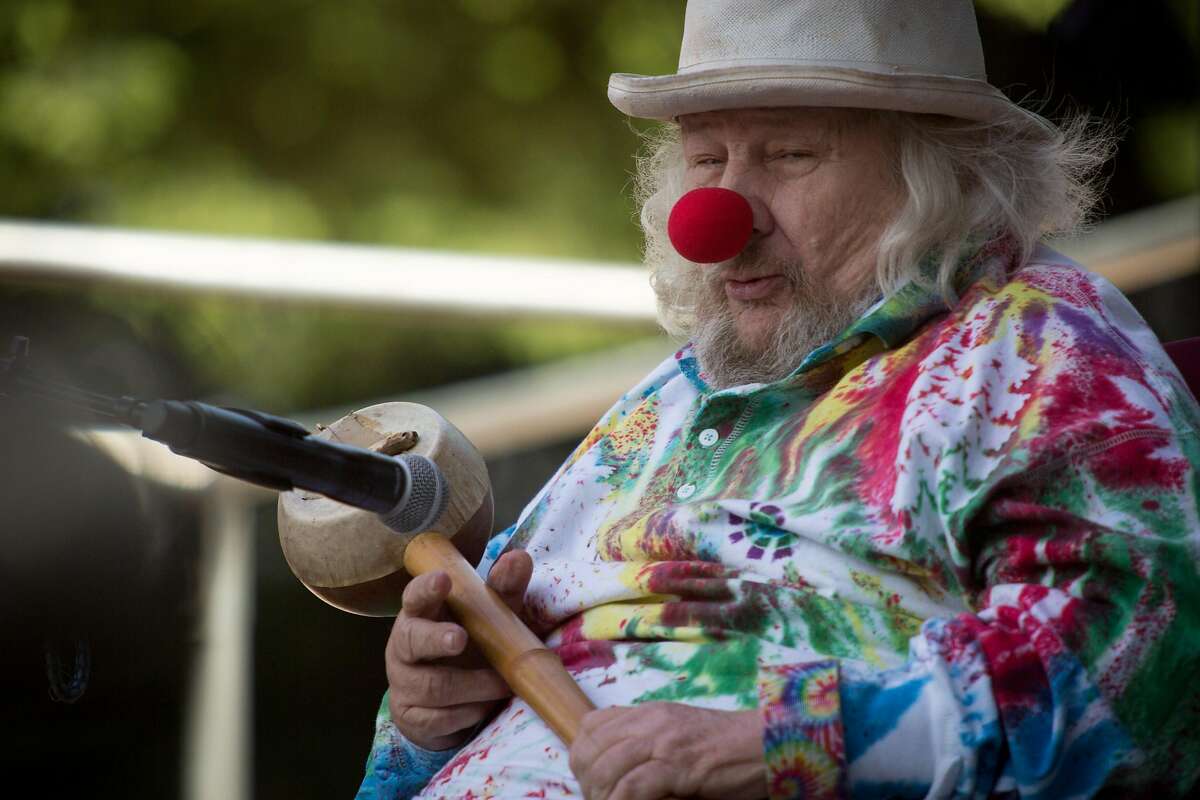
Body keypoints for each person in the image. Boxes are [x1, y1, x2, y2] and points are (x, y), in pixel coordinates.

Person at [357, 1, 1200, 798]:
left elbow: (1141, 672)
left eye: (791, 154)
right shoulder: (671, 396)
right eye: (706, 160)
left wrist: (790, 746)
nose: (720, 215)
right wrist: (430, 718)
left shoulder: (1033, 347)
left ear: (940, 169)